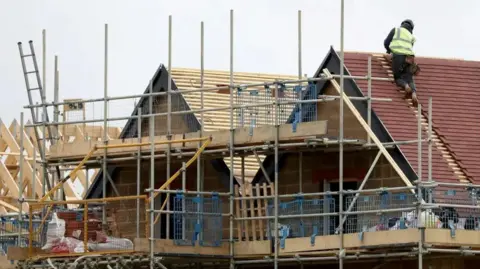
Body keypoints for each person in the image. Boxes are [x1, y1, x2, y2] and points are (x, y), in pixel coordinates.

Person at [384, 19, 419, 107]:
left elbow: (386, 43)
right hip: (410, 58)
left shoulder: (396, 30)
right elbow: (409, 48)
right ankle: (414, 93)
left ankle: (406, 86)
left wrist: (389, 52)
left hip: (398, 56)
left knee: (398, 77)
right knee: (409, 77)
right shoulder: (411, 37)